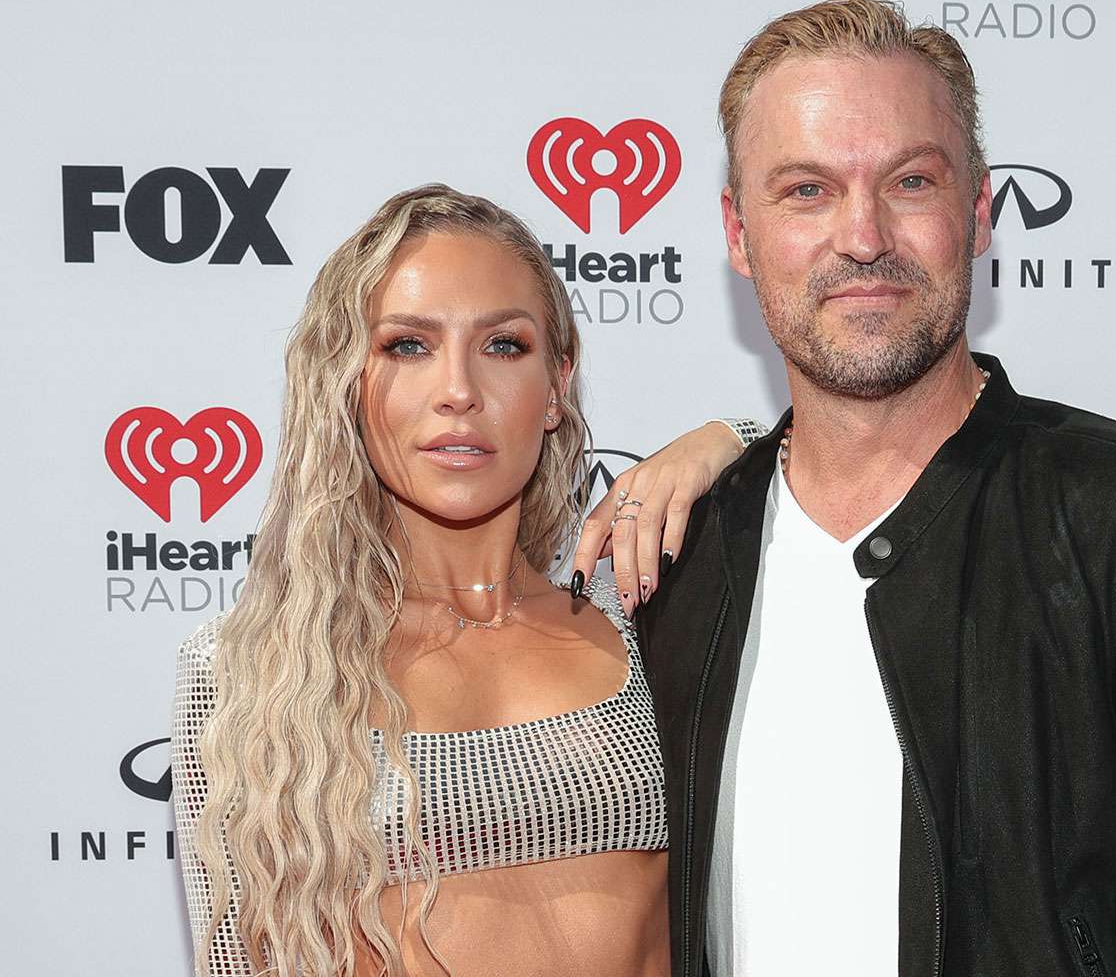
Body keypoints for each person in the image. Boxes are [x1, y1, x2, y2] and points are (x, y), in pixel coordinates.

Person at [636, 0, 1116, 977]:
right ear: (739, 233)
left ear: (977, 214)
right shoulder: (682, 552)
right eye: (806, 190)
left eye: (910, 180)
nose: (864, 235)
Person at [170, 184, 763, 977]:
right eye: (407, 346)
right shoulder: (255, 671)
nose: (459, 391)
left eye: (504, 346)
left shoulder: (647, 616)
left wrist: (732, 441)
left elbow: (865, 485)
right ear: (349, 382)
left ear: (557, 385)